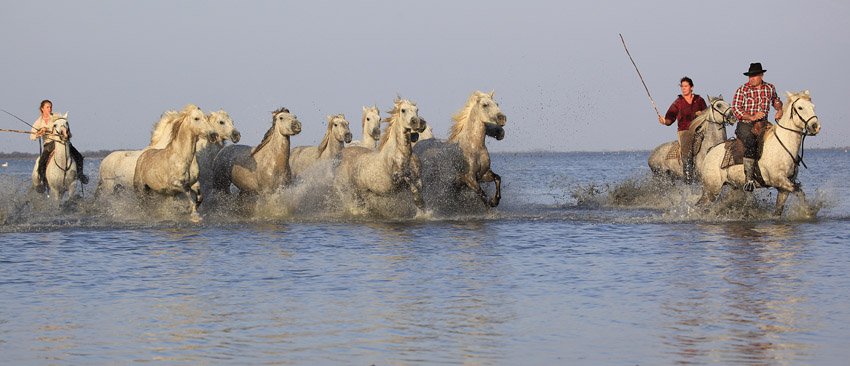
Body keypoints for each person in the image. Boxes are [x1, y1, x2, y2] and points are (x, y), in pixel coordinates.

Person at [732, 62, 783, 192]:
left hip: (764, 124)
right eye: (750, 76)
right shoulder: (743, 89)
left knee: (779, 141)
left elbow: (776, 101)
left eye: (754, 76)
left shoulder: (770, 88)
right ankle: (749, 179)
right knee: (750, 142)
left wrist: (779, 109)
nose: (752, 78)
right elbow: (736, 109)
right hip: (746, 124)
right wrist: (752, 117)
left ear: (761, 75)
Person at [30, 99, 88, 193]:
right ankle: (42, 182)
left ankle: (80, 175)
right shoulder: (39, 122)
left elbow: (62, 127)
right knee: (42, 161)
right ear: (42, 109)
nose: (49, 109)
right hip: (49, 144)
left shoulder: (56, 117)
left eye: (50, 107)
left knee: (78, 155)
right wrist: (40, 132)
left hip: (62, 142)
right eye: (47, 107)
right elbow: (32, 136)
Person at [658, 76, 707, 184]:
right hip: (685, 130)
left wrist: (702, 113)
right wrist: (664, 121)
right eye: (682, 86)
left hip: (699, 129)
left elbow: (707, 114)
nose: (683, 88)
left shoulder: (699, 100)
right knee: (687, 147)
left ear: (692, 87)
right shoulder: (678, 102)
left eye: (686, 86)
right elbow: (670, 117)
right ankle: (688, 176)